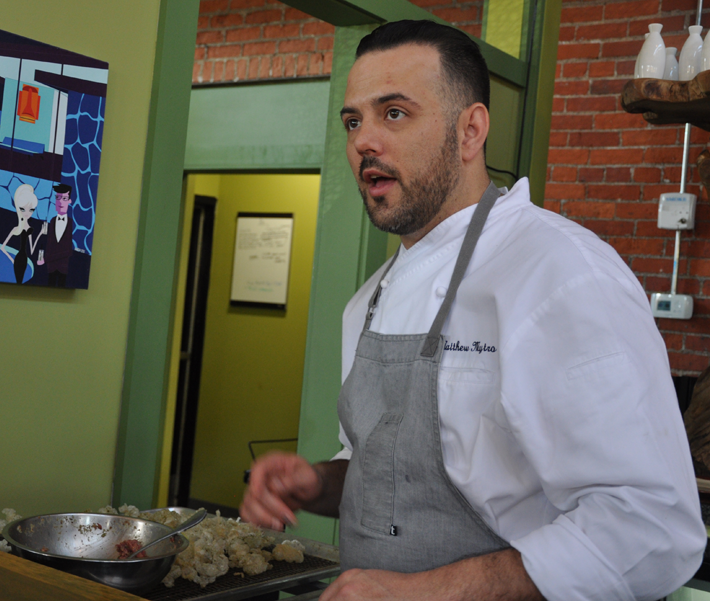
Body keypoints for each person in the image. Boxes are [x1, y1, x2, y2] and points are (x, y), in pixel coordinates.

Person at [239, 20, 706, 601]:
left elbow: (652, 528)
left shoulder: (562, 273)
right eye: (354, 120)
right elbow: (392, 476)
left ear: (470, 130)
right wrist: (320, 482)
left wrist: (426, 592)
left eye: (395, 113)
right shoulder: (372, 297)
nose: (364, 142)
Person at [2, 184, 45, 284]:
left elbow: (32, 249)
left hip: (25, 259)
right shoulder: (16, 228)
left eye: (31, 210)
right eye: (23, 209)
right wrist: (12, 260)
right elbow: (2, 247)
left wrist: (40, 234)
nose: (27, 213)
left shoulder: (30, 228)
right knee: (17, 280)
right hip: (17, 259)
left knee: (20, 281)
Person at [43, 183, 74, 287]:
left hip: (63, 268)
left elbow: (69, 250)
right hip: (50, 268)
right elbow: (49, 243)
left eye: (64, 198)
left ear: (69, 201)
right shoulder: (52, 221)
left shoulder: (71, 223)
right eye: (58, 197)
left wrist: (48, 258)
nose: (60, 201)